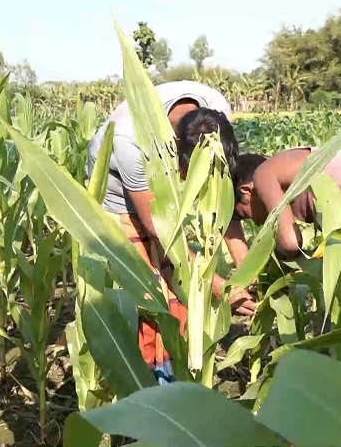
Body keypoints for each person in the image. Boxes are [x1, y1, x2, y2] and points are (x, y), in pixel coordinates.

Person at [86, 82, 256, 384]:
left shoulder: (216, 113)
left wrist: (246, 267)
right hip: (120, 197)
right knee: (148, 288)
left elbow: (222, 194)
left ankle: (178, 366)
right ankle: (148, 379)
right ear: (176, 157)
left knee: (179, 283)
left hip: (160, 174)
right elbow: (159, 232)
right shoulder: (131, 142)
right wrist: (219, 286)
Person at [231, 148, 341, 261]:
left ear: (248, 190)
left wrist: (265, 263)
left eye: (246, 215)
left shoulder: (263, 174)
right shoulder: (289, 165)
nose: (255, 223)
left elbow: (290, 244)